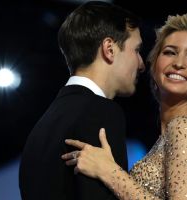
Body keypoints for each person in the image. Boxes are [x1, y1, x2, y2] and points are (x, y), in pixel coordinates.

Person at [62, 13, 187, 200]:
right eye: (170, 52)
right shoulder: (177, 131)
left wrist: (109, 171)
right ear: (154, 66)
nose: (179, 63)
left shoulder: (186, 129)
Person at [19, 1, 144, 200]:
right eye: (136, 50)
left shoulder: (40, 128)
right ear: (109, 48)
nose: (141, 64)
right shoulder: (101, 112)